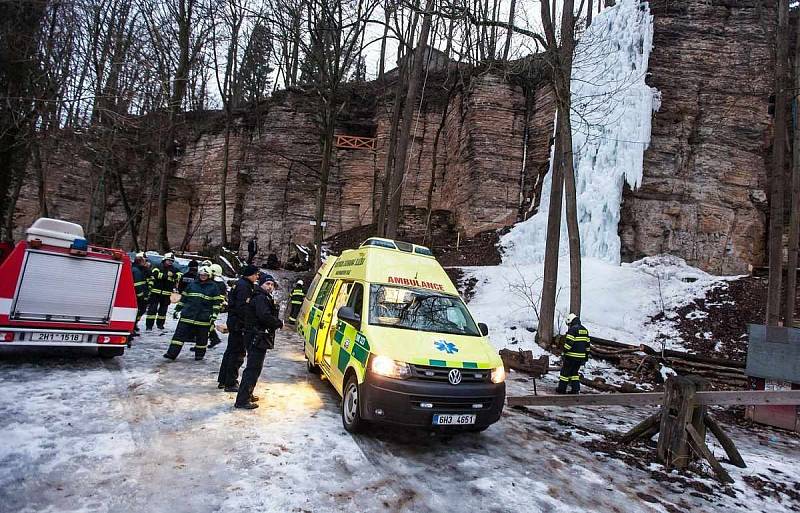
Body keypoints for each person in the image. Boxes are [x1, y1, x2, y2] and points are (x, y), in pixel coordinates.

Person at [235, 274, 283, 409]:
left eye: (272, 284)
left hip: (256, 336)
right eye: (267, 284)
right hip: (256, 336)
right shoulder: (261, 298)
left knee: (255, 367)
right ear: (261, 284)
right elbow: (264, 316)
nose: (270, 287)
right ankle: (242, 400)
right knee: (253, 368)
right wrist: (278, 323)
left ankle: (247, 394)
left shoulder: (261, 296)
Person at [163, 266, 222, 361]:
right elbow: (184, 298)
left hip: (203, 317)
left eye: (205, 275)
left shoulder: (214, 287)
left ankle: (199, 355)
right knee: (178, 336)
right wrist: (178, 309)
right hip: (188, 315)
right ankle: (171, 353)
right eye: (201, 275)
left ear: (209, 275)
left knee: (202, 338)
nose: (203, 276)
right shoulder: (192, 284)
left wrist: (214, 314)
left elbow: (216, 303)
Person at [217, 264, 259, 391]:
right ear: (250, 274)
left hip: (235, 322)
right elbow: (243, 308)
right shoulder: (244, 287)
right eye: (256, 274)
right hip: (239, 325)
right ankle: (230, 382)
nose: (257, 277)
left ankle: (223, 380)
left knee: (230, 352)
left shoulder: (240, 284)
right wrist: (247, 324)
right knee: (237, 354)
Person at [145, 252, 182, 330]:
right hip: (155, 293)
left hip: (166, 294)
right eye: (169, 260)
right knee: (152, 310)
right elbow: (155, 274)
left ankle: (160, 325)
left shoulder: (174, 269)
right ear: (164, 260)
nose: (170, 262)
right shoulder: (157, 266)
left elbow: (179, 275)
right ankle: (149, 326)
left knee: (163, 311)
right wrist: (168, 276)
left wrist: (173, 275)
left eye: (172, 261)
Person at [556, 313, 591, 394]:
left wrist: (564, 352)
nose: (569, 326)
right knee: (574, 373)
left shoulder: (572, 330)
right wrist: (586, 356)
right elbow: (587, 345)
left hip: (571, 356)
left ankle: (561, 389)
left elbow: (569, 343)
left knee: (564, 373)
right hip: (580, 357)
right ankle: (575, 390)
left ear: (571, 321)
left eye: (569, 324)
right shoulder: (585, 330)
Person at [208, 263, 227, 348]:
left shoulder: (214, 283)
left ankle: (214, 338)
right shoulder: (221, 283)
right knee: (208, 324)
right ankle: (214, 338)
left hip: (210, 306)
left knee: (206, 324)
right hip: (214, 306)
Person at [131, 253, 150, 335]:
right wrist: (141, 296)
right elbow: (137, 285)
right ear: (140, 260)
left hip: (140, 295)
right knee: (138, 311)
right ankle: (132, 328)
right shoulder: (136, 270)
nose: (147, 262)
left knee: (140, 311)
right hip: (138, 296)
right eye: (145, 260)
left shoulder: (140, 269)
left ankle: (133, 326)